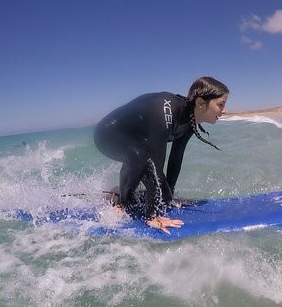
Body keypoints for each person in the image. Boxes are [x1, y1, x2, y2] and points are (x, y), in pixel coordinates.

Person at [94, 76, 229, 234]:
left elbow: (175, 159)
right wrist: (153, 214)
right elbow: (155, 162)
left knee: (155, 179)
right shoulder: (167, 110)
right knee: (142, 157)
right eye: (220, 105)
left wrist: (168, 197)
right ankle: (122, 202)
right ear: (200, 103)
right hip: (108, 134)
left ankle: (122, 196)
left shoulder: (191, 120)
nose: (224, 110)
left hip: (135, 143)